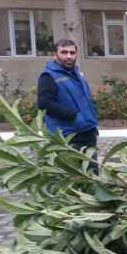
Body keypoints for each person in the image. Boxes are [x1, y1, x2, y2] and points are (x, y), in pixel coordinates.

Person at [37, 39, 99, 171]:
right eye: (64, 52)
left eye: (72, 52)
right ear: (55, 55)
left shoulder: (75, 74)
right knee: (71, 180)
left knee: (92, 179)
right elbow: (44, 103)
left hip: (87, 133)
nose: (69, 56)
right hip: (69, 137)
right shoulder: (48, 76)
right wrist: (73, 116)